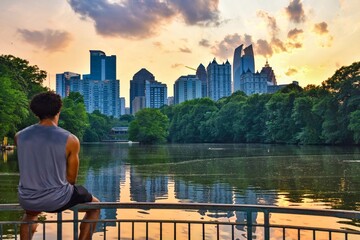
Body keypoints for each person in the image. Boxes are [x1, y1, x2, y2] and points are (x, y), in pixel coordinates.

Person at [15, 91, 100, 240]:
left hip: (27, 197)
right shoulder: (70, 139)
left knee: (30, 215)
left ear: (36, 113)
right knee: (95, 206)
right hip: (57, 199)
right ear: (58, 111)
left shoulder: (19, 136)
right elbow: (71, 179)